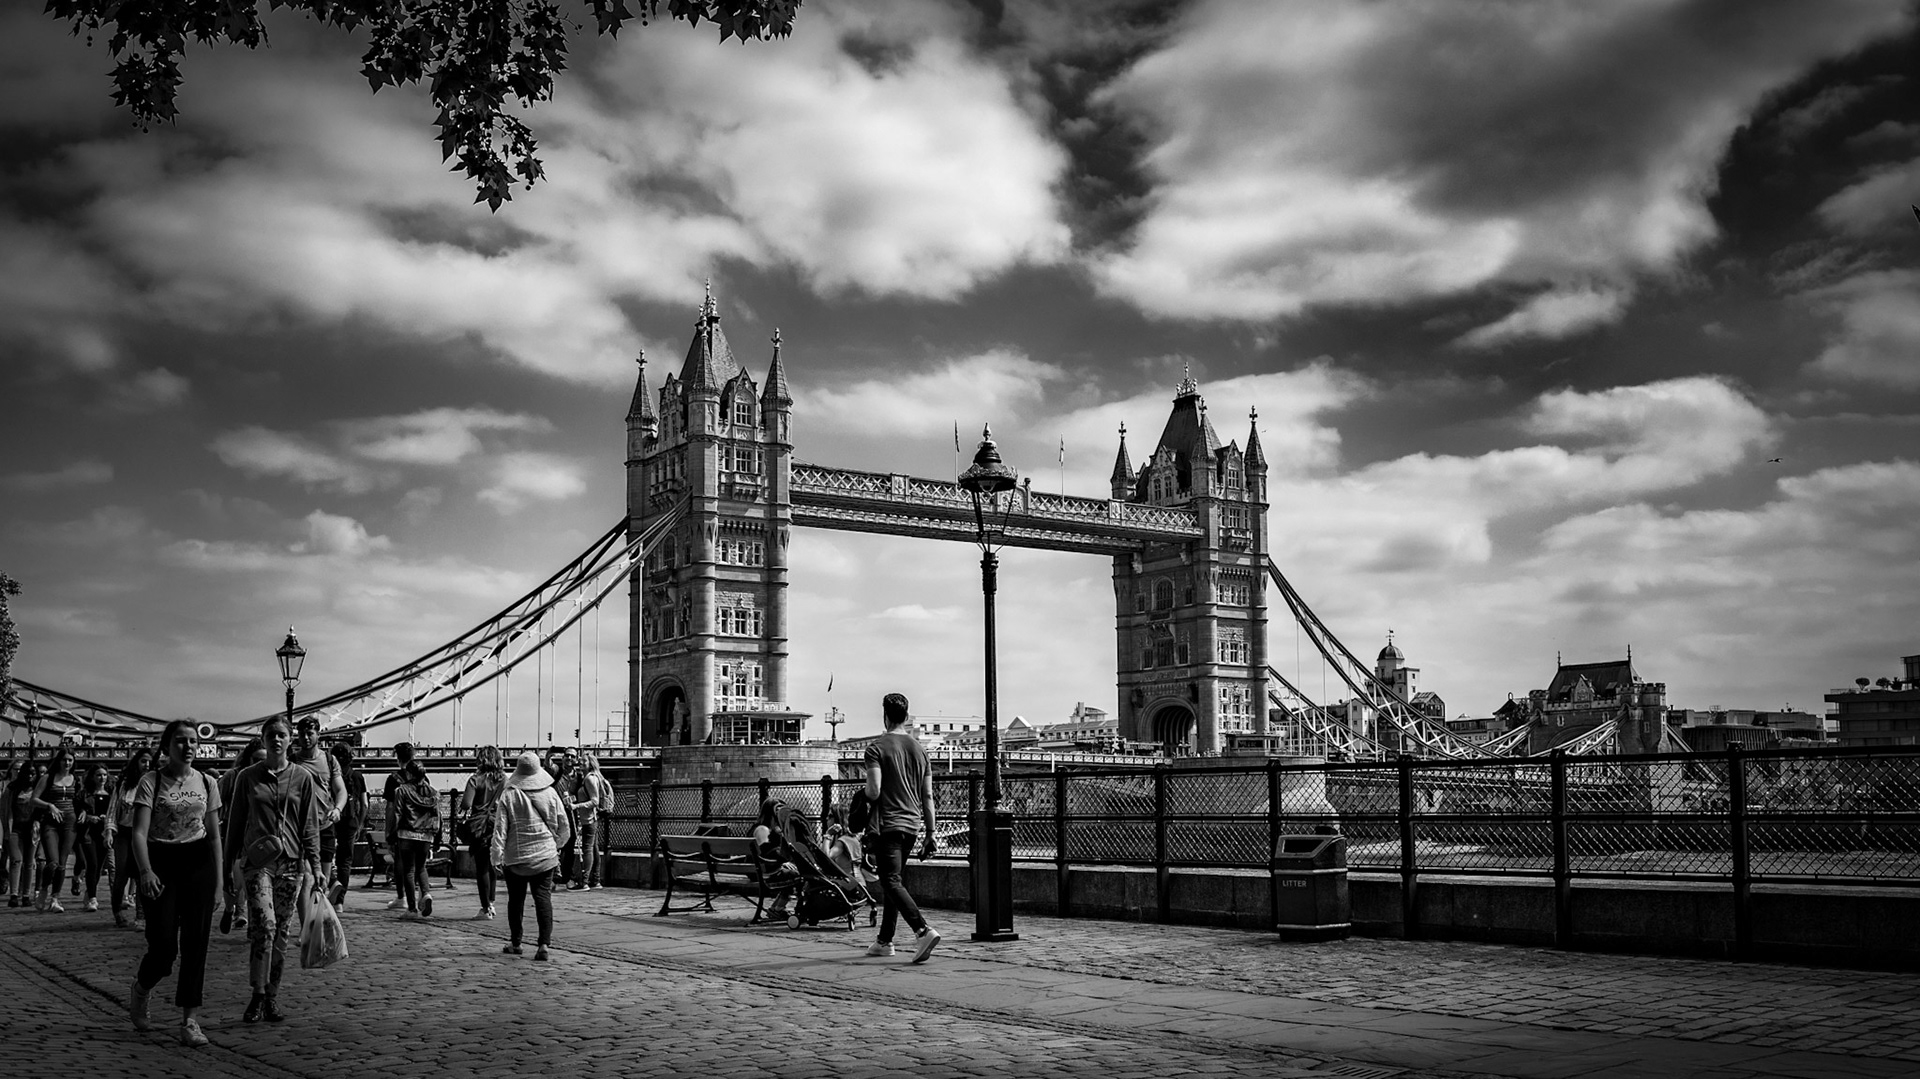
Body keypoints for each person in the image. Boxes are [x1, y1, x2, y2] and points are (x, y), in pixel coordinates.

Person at [128, 720, 224, 1047]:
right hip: (161, 861)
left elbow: (213, 836)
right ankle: (142, 989)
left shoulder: (208, 783)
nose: (188, 746)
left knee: (196, 944)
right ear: (167, 745)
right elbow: (139, 832)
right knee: (164, 946)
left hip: (198, 863)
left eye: (193, 741)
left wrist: (219, 883)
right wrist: (145, 872)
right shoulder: (150, 781)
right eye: (180, 740)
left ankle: (190, 1022)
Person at [224, 715, 324, 1024]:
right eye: (271, 735)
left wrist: (316, 866)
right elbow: (235, 823)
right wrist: (229, 866)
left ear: (289, 739)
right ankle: (256, 993)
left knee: (281, 932)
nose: (277, 740)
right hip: (258, 864)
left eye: (282, 734)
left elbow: (310, 825)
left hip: (292, 864)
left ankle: (271, 996)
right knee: (264, 926)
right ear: (264, 739)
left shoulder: (303, 778)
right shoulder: (247, 777)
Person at [861, 692, 941, 963]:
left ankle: (922, 930)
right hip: (913, 825)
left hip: (889, 825)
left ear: (884, 715)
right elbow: (928, 796)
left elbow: (874, 792)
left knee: (890, 880)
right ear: (906, 717)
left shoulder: (876, 748)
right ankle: (884, 941)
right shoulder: (921, 751)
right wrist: (931, 832)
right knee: (893, 881)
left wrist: (862, 793)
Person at [492, 750, 570, 961]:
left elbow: (500, 829)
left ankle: (516, 943)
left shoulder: (509, 794)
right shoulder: (551, 793)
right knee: (543, 898)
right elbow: (565, 826)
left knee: (515, 901)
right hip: (545, 856)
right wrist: (556, 846)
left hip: (517, 858)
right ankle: (543, 944)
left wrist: (496, 857)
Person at [288, 717, 347, 904]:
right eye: (302, 734)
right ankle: (309, 923)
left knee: (322, 878)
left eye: (309, 733)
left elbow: (340, 790)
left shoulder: (329, 760)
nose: (305, 738)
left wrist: (338, 809)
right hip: (301, 828)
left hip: (325, 824)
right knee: (307, 877)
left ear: (318, 735)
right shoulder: (292, 761)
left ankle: (320, 914)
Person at [217, 739, 263, 934]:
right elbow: (216, 801)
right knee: (234, 873)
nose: (259, 763)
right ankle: (230, 908)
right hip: (233, 828)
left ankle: (247, 916)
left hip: (257, 831)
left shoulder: (267, 776)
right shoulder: (233, 776)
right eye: (256, 759)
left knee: (254, 874)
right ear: (247, 758)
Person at [456, 745, 505, 919]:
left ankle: (485, 908)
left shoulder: (475, 779)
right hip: (497, 824)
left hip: (479, 825)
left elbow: (466, 804)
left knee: (482, 867)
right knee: (492, 865)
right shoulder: (504, 780)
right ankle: (491, 902)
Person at [387, 757, 440, 916]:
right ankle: (425, 894)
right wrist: (437, 837)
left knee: (409, 870)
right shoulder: (434, 793)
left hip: (406, 834)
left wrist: (391, 836)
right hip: (426, 835)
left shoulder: (401, 790)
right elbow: (438, 816)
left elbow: (397, 814)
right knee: (421, 867)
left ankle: (411, 908)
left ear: (409, 774)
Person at [108, 748, 154, 927]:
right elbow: (113, 810)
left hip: (145, 835)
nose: (147, 765)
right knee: (121, 873)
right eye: (143, 761)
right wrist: (109, 831)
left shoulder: (155, 785)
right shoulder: (125, 784)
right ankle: (117, 911)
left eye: (150, 762)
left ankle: (141, 916)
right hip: (125, 833)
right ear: (136, 763)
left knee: (142, 873)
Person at [29, 747, 78, 912]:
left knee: (63, 864)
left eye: (70, 760)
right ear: (59, 761)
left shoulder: (75, 779)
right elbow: (33, 799)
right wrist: (50, 806)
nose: (67, 763)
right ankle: (43, 890)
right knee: (53, 863)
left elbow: (81, 800)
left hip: (69, 823)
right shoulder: (48, 778)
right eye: (65, 760)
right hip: (50, 823)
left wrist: (84, 811)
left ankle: (55, 898)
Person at [329, 743, 367, 907]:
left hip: (330, 819)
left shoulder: (329, 775)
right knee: (345, 862)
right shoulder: (357, 776)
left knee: (325, 856)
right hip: (350, 821)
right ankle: (339, 902)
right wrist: (359, 824)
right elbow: (364, 804)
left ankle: (331, 884)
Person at [381, 742, 417, 910]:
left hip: (400, 825)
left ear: (398, 757)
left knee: (400, 863)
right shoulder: (421, 777)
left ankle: (402, 897)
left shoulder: (393, 779)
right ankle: (423, 894)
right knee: (417, 864)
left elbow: (390, 807)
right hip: (419, 825)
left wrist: (388, 829)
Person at [74, 763, 112, 913]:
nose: (102, 778)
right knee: (93, 864)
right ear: (92, 777)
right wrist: (89, 816)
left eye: (104, 774)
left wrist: (106, 818)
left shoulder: (111, 792)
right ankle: (93, 899)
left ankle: (89, 892)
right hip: (89, 832)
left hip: (104, 832)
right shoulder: (85, 794)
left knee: (99, 868)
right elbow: (77, 811)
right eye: (98, 775)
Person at [565, 753, 605, 891]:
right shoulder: (586, 778)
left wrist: (576, 806)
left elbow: (595, 801)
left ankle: (585, 882)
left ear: (590, 763)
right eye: (580, 761)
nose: (580, 763)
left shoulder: (590, 779)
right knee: (593, 848)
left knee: (587, 848)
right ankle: (596, 880)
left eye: (584, 762)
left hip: (589, 819)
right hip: (589, 818)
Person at [4, 761, 37, 908]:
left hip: (32, 829)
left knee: (29, 863)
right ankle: (14, 895)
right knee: (16, 860)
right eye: (27, 773)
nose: (30, 776)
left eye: (33, 773)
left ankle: (26, 895)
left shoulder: (38, 789)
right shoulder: (12, 789)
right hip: (15, 828)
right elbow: (4, 810)